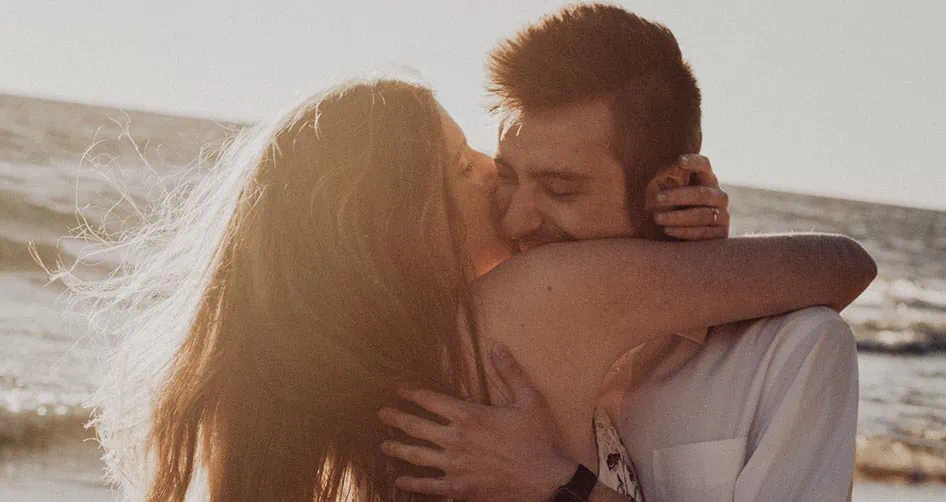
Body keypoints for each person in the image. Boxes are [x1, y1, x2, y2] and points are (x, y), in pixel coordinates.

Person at [72, 76, 874, 501]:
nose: (492, 173)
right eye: (461, 167)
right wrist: (695, 258)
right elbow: (843, 265)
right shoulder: (546, 292)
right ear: (402, 223)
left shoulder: (308, 395)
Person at [378, 4, 868, 501]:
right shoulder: (476, 329)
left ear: (670, 188)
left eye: (561, 189)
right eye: (507, 176)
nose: (515, 219)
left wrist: (561, 487)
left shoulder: (792, 354)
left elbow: (852, 265)